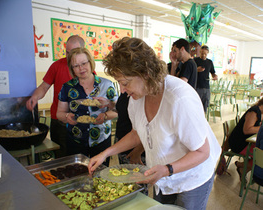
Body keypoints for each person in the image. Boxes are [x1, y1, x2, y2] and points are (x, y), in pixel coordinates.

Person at [88, 37, 221, 210]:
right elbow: (137, 134)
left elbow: (202, 151)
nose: (122, 90)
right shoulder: (136, 97)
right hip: (163, 172)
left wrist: (167, 170)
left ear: (145, 74)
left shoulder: (179, 99)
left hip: (192, 177)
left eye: (125, 83)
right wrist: (106, 153)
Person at [56, 47, 118, 166]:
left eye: (84, 63)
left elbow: (117, 111)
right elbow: (60, 113)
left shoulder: (106, 85)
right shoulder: (67, 87)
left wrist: (105, 115)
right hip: (75, 140)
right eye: (76, 66)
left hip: (101, 140)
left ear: (90, 62)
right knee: (76, 174)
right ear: (72, 69)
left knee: (100, 175)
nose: (81, 68)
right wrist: (66, 116)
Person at [26, 35, 85, 158]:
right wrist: (35, 97)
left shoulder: (86, 68)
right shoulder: (57, 66)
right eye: (67, 52)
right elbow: (43, 87)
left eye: (73, 52)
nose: (69, 56)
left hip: (79, 121)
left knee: (79, 156)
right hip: (59, 120)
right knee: (61, 156)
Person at [228, 98, 263, 181]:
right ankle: (242, 166)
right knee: (259, 156)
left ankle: (242, 167)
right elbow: (247, 130)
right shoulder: (254, 112)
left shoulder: (259, 112)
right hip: (238, 143)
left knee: (260, 153)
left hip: (246, 141)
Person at [115, 92, 145, 165]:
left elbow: (150, 130)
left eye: (124, 83)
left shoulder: (142, 95)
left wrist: (138, 151)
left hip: (137, 146)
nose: (122, 90)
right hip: (124, 139)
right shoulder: (125, 93)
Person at [194, 45, 218, 113]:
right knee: (197, 105)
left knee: (205, 106)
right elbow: (191, 71)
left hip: (206, 87)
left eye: (205, 54)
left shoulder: (209, 62)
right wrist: (196, 70)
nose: (203, 55)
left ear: (207, 53)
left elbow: (213, 73)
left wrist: (215, 76)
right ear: (199, 52)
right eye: (202, 53)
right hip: (197, 86)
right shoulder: (195, 60)